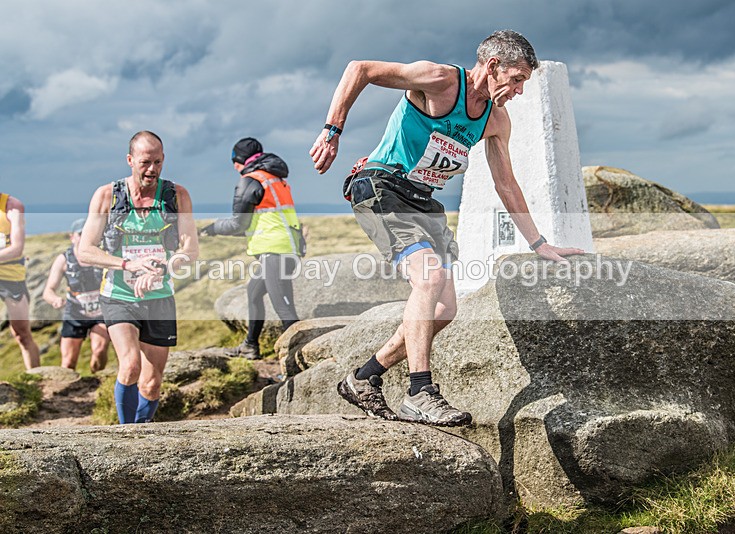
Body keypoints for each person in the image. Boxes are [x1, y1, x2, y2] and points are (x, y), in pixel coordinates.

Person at [310, 30, 584, 426]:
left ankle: (364, 377)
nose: (520, 91)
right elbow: (361, 69)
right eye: (517, 78)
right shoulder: (439, 80)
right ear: (493, 67)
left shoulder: (495, 119)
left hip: (424, 202)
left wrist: (539, 243)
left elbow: (506, 185)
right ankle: (420, 391)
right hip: (382, 185)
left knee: (444, 308)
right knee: (429, 277)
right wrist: (332, 131)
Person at [78, 131, 198, 424]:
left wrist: (161, 267)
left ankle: (141, 433)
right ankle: (125, 434)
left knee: (152, 384)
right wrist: (127, 264)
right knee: (130, 365)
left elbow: (190, 249)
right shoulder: (108, 195)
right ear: (130, 160)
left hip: (159, 297)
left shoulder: (176, 195)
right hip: (119, 295)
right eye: (145, 162)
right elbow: (85, 251)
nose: (152, 169)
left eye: (158, 162)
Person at [201, 137, 302, 359]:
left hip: (274, 251)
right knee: (254, 293)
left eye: (234, 162)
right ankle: (250, 346)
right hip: (287, 248)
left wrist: (213, 228)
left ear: (240, 160)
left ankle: (298, 358)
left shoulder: (250, 180)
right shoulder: (275, 179)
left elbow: (239, 223)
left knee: (284, 309)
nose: (235, 168)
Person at [42, 218, 110, 372]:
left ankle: (96, 379)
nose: (85, 236)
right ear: (72, 237)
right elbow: (48, 291)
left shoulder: (103, 255)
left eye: (88, 233)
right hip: (75, 313)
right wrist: (55, 300)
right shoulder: (64, 260)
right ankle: (68, 390)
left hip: (101, 313)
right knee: (68, 363)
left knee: (99, 351)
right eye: (81, 234)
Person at [0, 192, 40, 369]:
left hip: (10, 275)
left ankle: (36, 381)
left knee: (22, 333)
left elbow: (16, 248)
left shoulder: (12, 206)